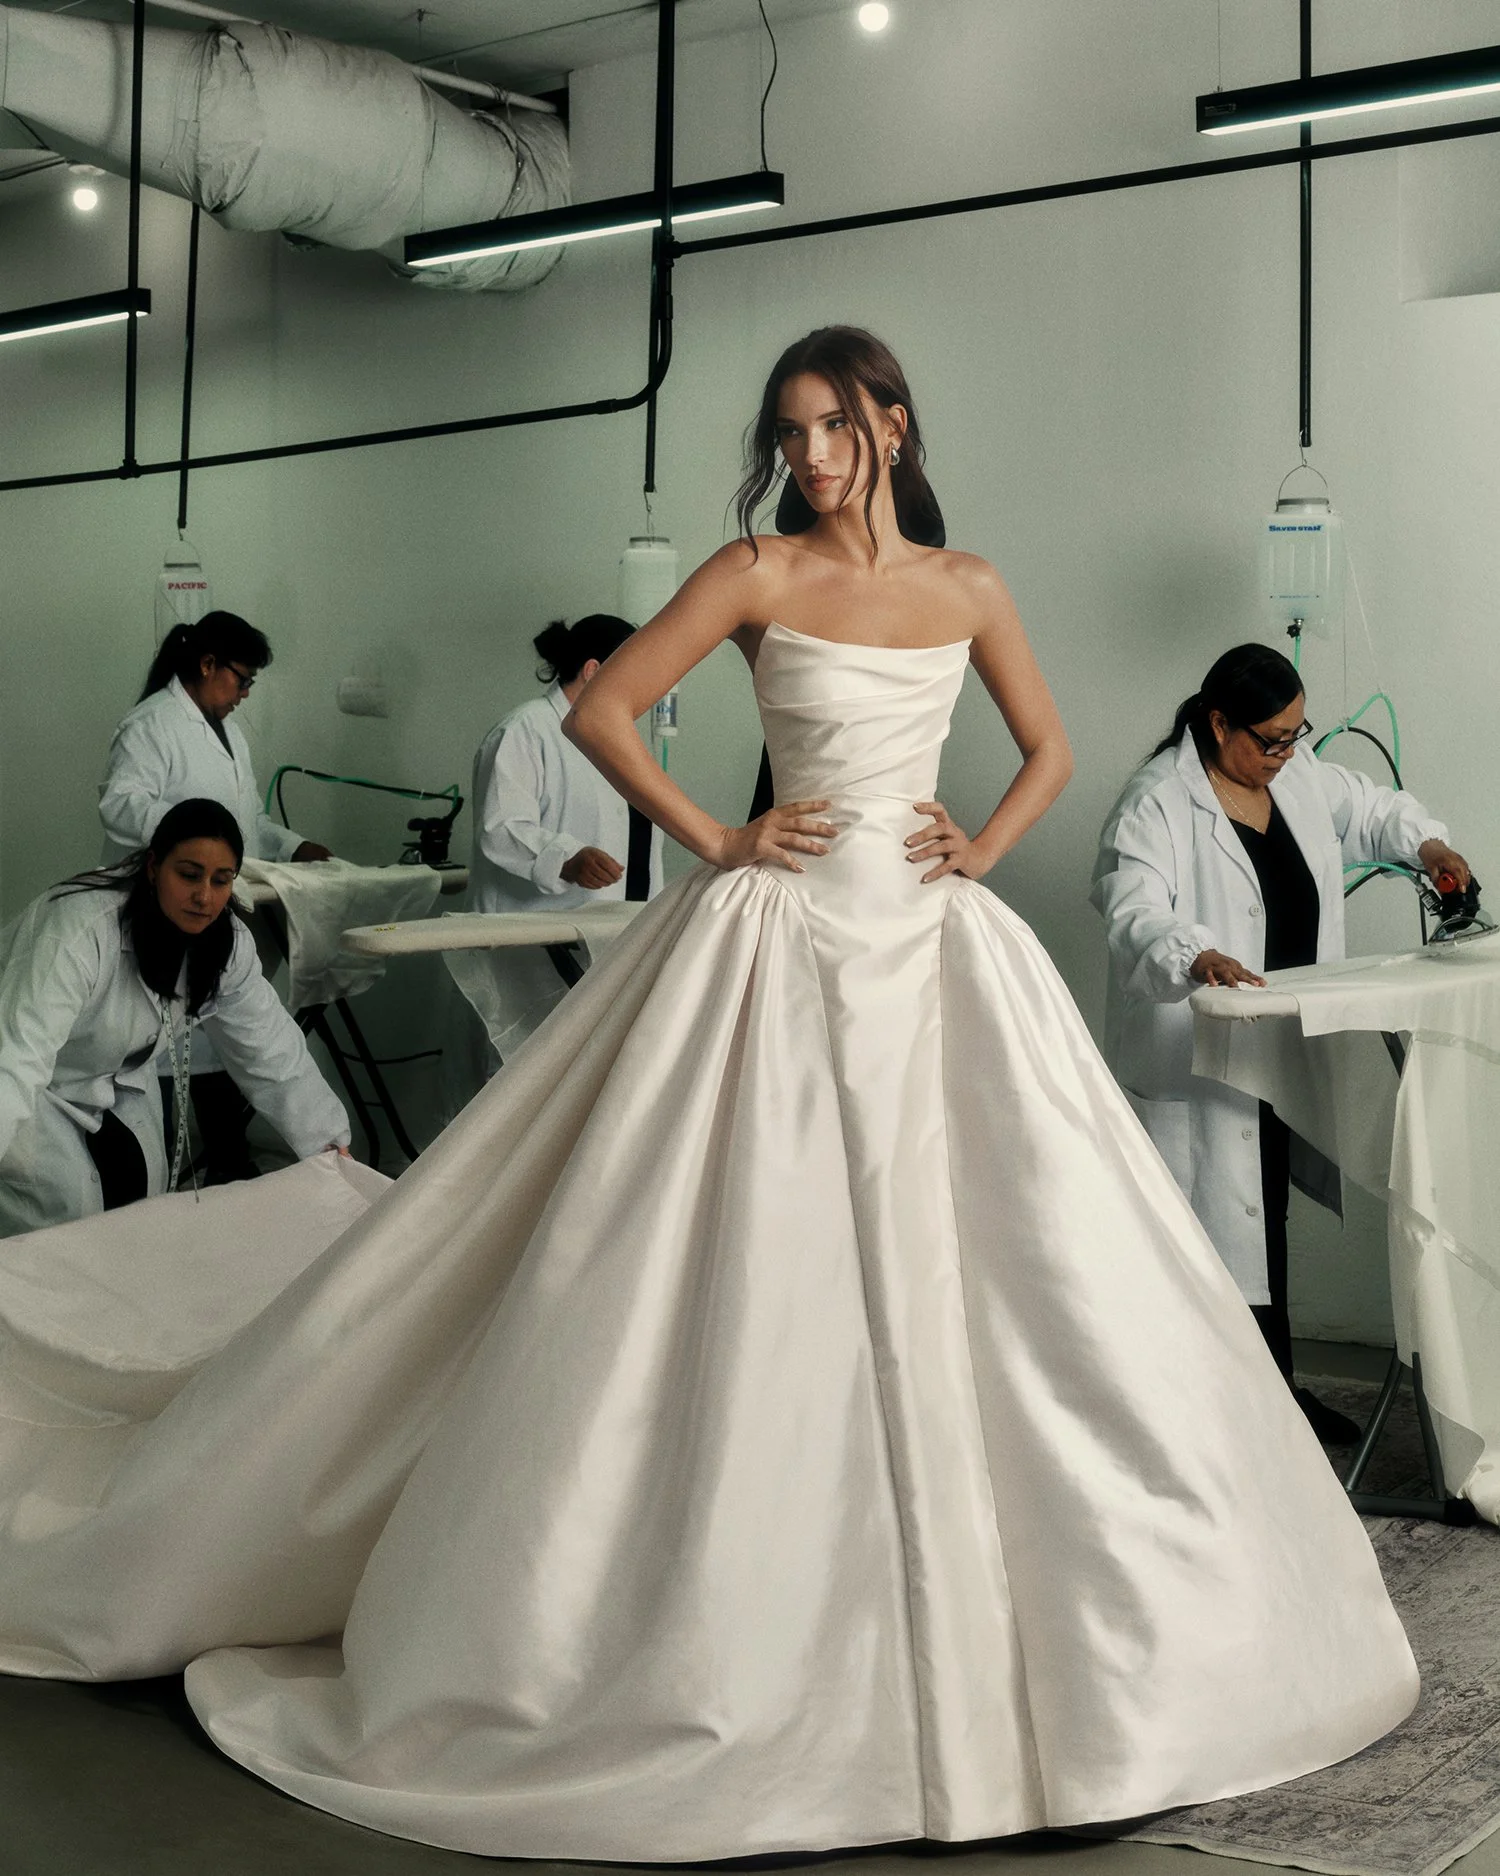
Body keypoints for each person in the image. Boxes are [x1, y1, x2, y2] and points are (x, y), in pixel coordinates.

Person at [0, 331, 1416, 1860]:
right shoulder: (755, 571)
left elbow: (1054, 745)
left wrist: (984, 850)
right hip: (787, 940)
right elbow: (605, 712)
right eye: (787, 431)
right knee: (739, 1262)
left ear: (893, 421)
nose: (807, 454)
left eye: (830, 426)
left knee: (1032, 1267)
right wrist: (721, 838)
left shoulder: (970, 586)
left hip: (930, 948)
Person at [1092, 643, 1470, 1442]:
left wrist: (1428, 846)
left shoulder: (1293, 777)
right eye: (1269, 739)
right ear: (1218, 722)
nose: (1285, 753)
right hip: (1201, 1057)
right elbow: (1131, 905)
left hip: (1284, 1044)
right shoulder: (1158, 802)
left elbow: (1370, 809)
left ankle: (1275, 1398)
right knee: (1210, 1235)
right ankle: (1216, 1419)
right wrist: (1191, 952)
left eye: (1296, 735)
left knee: (1266, 1225)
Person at [0, 798, 350, 1237]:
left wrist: (331, 1149)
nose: (205, 896)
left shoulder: (225, 943)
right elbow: (14, 1061)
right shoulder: (78, 929)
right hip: (33, 1085)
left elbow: (272, 1051)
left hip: (115, 1078)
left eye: (222, 881)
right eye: (189, 875)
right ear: (153, 867)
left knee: (141, 1208)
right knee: (62, 1216)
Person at [98, 612, 333, 1183]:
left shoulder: (229, 736)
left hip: (216, 914)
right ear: (207, 665)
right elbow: (120, 804)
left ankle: (230, 1163)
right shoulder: (151, 724)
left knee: (229, 1031)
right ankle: (182, 1168)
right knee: (168, 1042)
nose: (245, 694)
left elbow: (247, 822)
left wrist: (294, 844)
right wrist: (193, 837)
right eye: (242, 679)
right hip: (161, 911)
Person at [463, 614, 663, 1059]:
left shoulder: (620, 739)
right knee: (517, 1079)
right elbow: (503, 827)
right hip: (531, 946)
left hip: (609, 937)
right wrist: (567, 859)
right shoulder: (525, 730)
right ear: (594, 672)